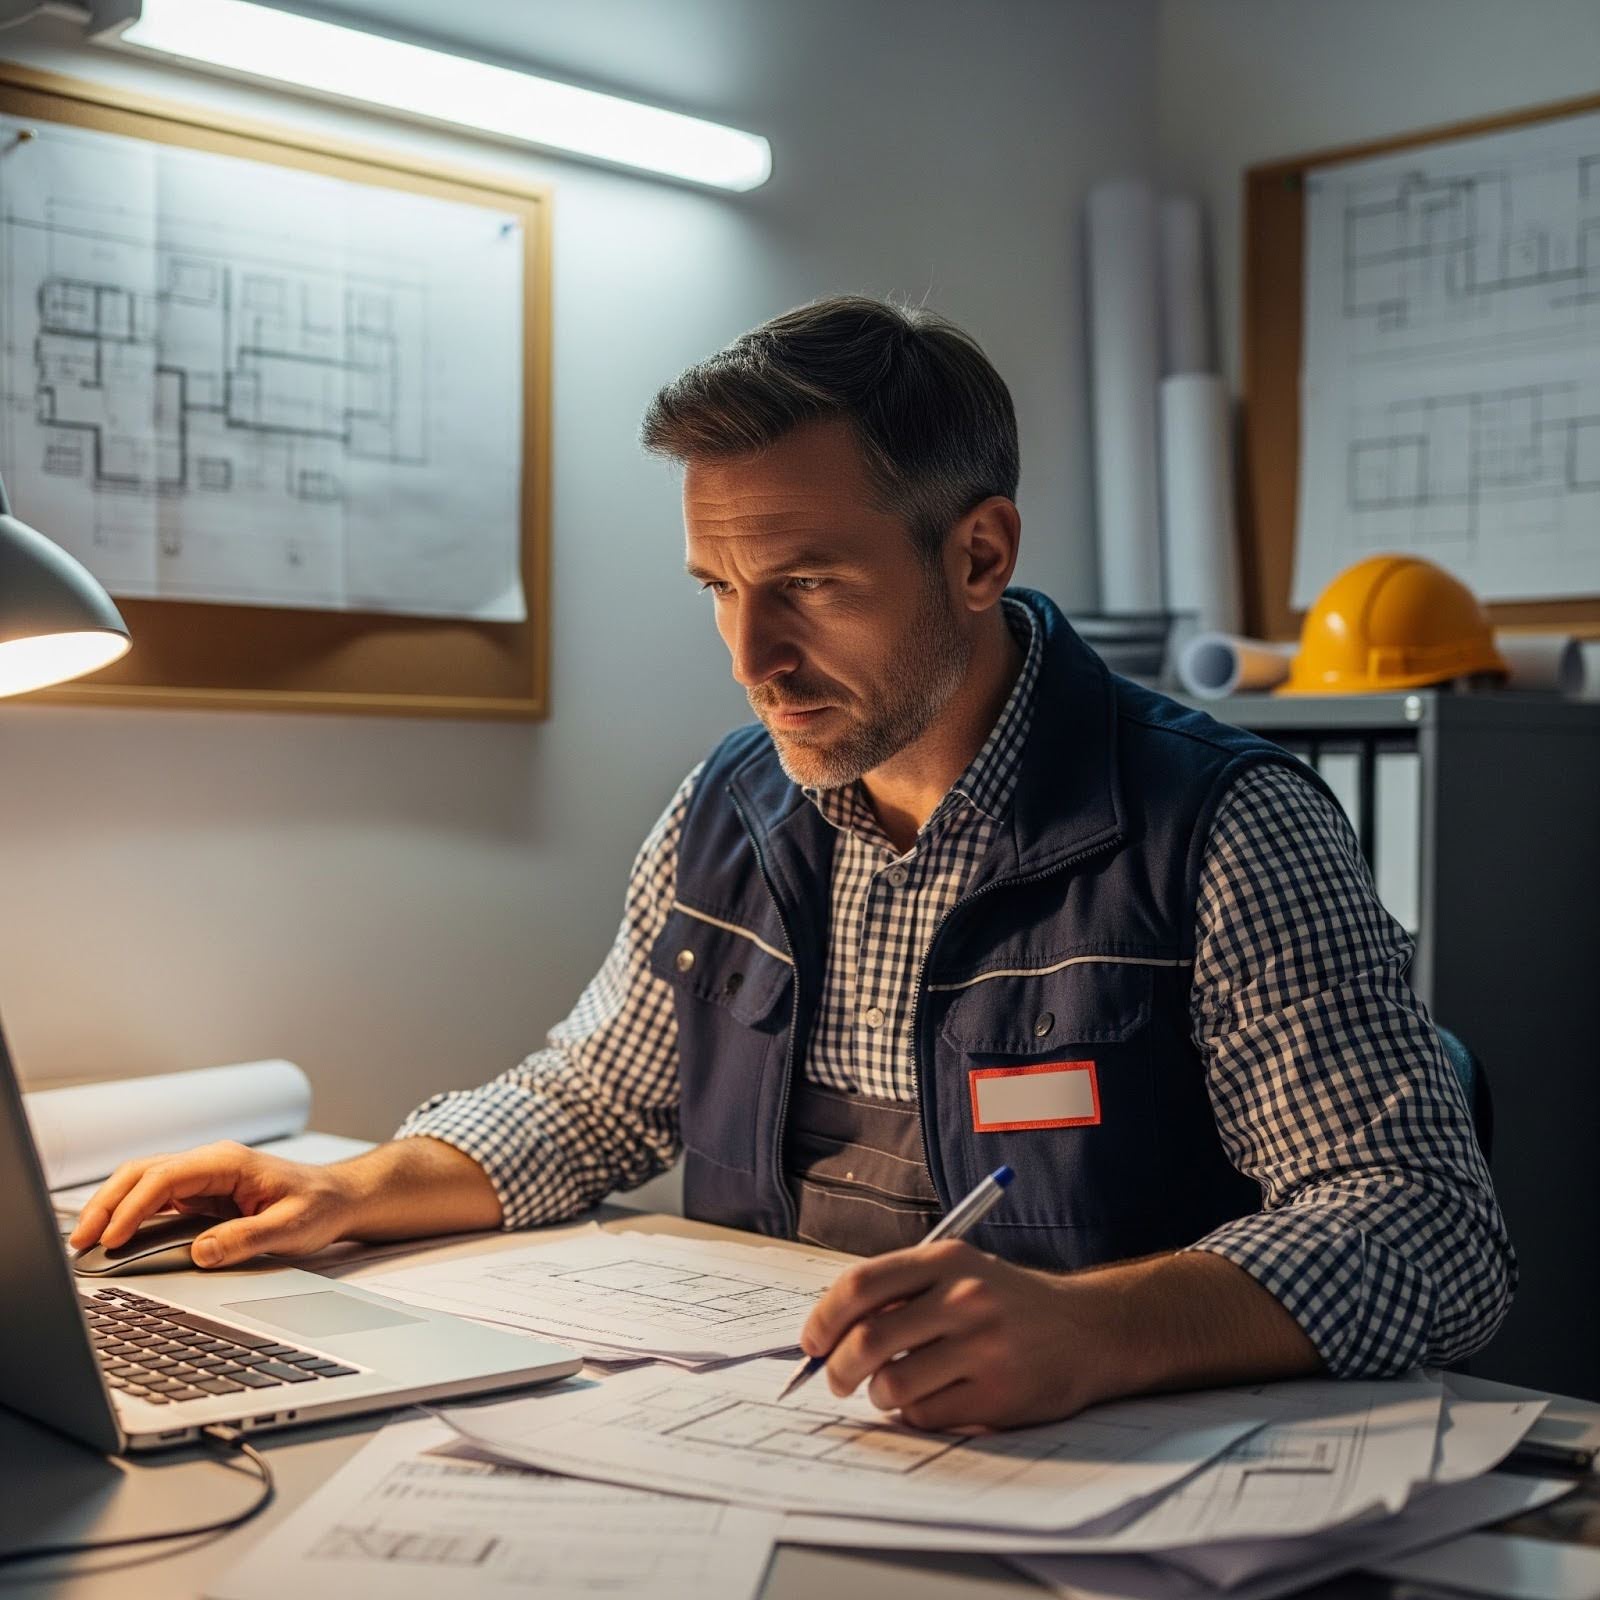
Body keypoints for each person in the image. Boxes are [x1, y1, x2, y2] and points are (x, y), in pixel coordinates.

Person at [70, 297, 1514, 1431]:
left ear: (979, 553)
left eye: (810, 585)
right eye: (720, 590)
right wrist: (361, 1184)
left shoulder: (1224, 828)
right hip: (789, 1444)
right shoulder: (736, 805)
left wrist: (1098, 1328)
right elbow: (594, 1098)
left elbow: (1435, 1229)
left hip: (1104, 1482)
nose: (755, 659)